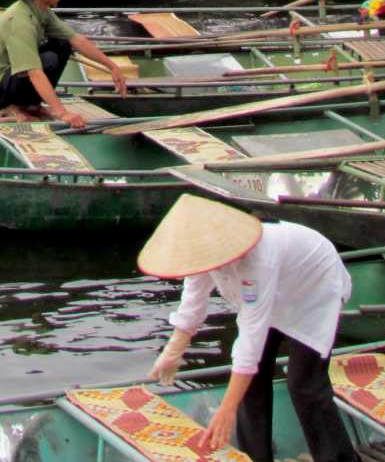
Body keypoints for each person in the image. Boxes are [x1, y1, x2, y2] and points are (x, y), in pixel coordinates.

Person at [141, 195, 356, 462]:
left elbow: (251, 337)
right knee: (250, 382)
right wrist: (173, 351)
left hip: (312, 289)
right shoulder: (199, 254)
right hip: (275, 289)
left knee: (304, 384)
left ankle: (338, 458)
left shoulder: (257, 260)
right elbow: (193, 303)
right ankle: (255, 457)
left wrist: (227, 409)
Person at [0, 0, 126, 127]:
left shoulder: (41, 10)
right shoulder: (20, 22)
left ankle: (31, 105)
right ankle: (14, 106)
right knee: (47, 60)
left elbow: (76, 39)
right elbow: (33, 72)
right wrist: (61, 112)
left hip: (12, 77)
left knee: (62, 44)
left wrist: (112, 66)